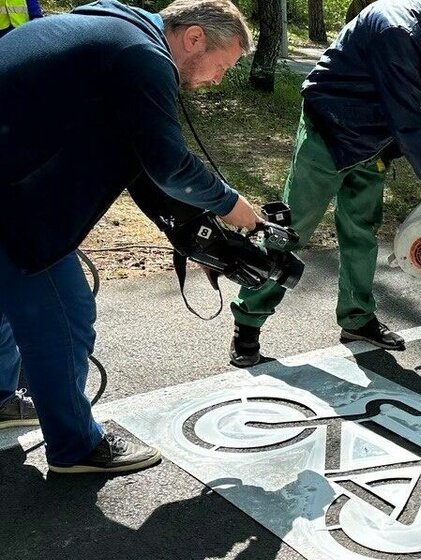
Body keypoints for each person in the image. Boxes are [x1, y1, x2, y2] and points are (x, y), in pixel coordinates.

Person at [0, 0, 261, 474]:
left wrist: (198, 238)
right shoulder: (143, 57)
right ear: (195, 37)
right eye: (221, 67)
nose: (216, 80)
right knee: (65, 313)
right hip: (11, 198)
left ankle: (1, 397)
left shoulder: (109, 25)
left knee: (6, 299)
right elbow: (168, 165)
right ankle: (76, 446)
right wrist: (232, 206)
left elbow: (140, 165)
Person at [227, 0, 421, 368]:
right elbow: (406, 120)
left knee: (361, 230)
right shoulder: (398, 30)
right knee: (291, 230)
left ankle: (357, 319)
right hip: (327, 132)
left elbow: (411, 103)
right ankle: (247, 323)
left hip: (372, 141)